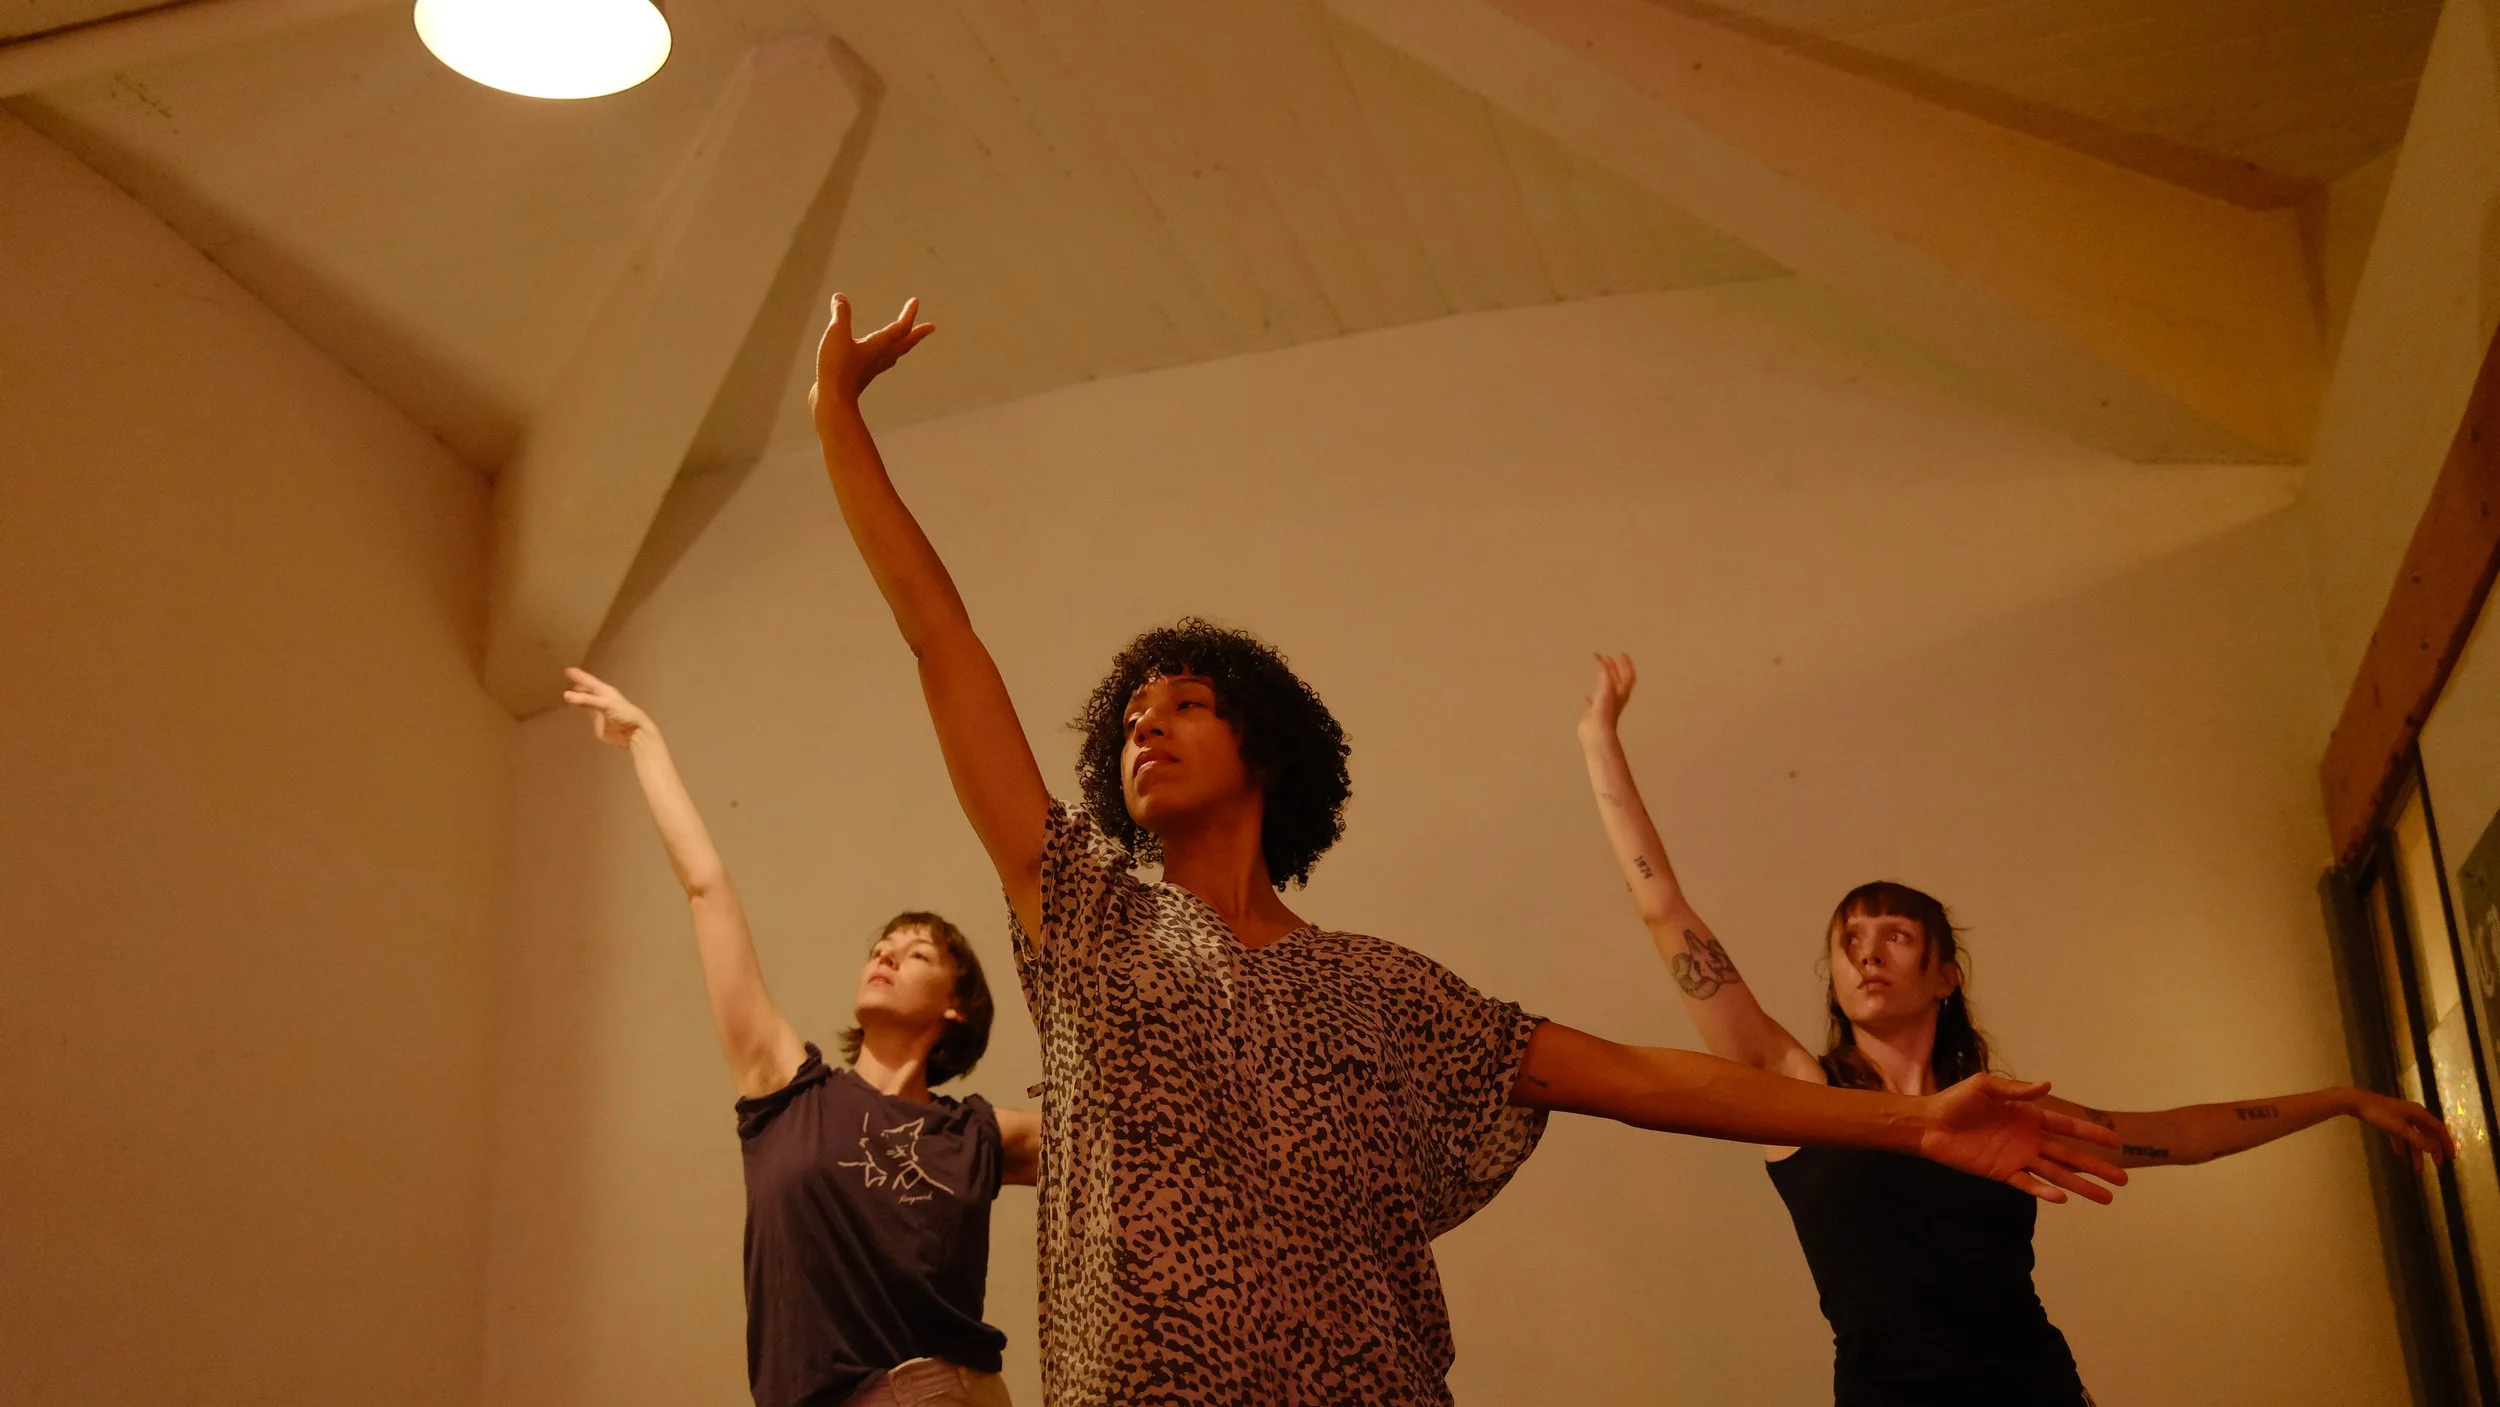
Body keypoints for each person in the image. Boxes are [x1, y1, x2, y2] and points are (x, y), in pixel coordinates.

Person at [806, 294, 2125, 1407]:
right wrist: (835, 418)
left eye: (1188, 703)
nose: (1148, 723)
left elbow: (1647, 1077)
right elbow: (941, 638)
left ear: (1265, 749)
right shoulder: (1088, 912)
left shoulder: (1389, 991)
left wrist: (1912, 1117)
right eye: (1133, 715)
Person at [1572, 652, 2454, 1407]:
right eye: (1849, 940)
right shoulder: (1797, 1090)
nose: (1867, 952)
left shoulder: (2007, 1113)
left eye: (1895, 935)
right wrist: (1599, 740)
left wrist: (2343, 1097)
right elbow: (1663, 907)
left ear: (1945, 975)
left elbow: (2182, 1136)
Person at [562, 668, 1041, 1407]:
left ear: (957, 1006)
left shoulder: (973, 1134)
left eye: (916, 952)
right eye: (880, 946)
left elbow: (1129, 1139)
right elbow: (707, 890)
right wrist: (644, 741)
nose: (885, 955)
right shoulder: (789, 1094)